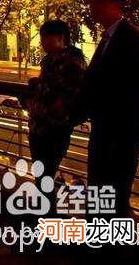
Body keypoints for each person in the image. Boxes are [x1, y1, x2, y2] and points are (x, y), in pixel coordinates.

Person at [80, 0, 139, 217]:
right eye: (92, 0)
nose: (92, 6)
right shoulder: (106, 39)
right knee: (101, 191)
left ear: (116, 3)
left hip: (120, 132)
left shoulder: (134, 40)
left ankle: (112, 249)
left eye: (97, 0)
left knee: (115, 193)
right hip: (104, 128)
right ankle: (101, 246)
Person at [26, 20, 85, 183]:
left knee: (45, 176)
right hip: (39, 126)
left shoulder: (71, 62)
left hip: (54, 128)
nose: (42, 42)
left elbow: (69, 96)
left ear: (60, 38)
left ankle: (46, 208)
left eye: (46, 38)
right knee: (42, 177)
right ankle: (44, 206)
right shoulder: (50, 60)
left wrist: (46, 100)